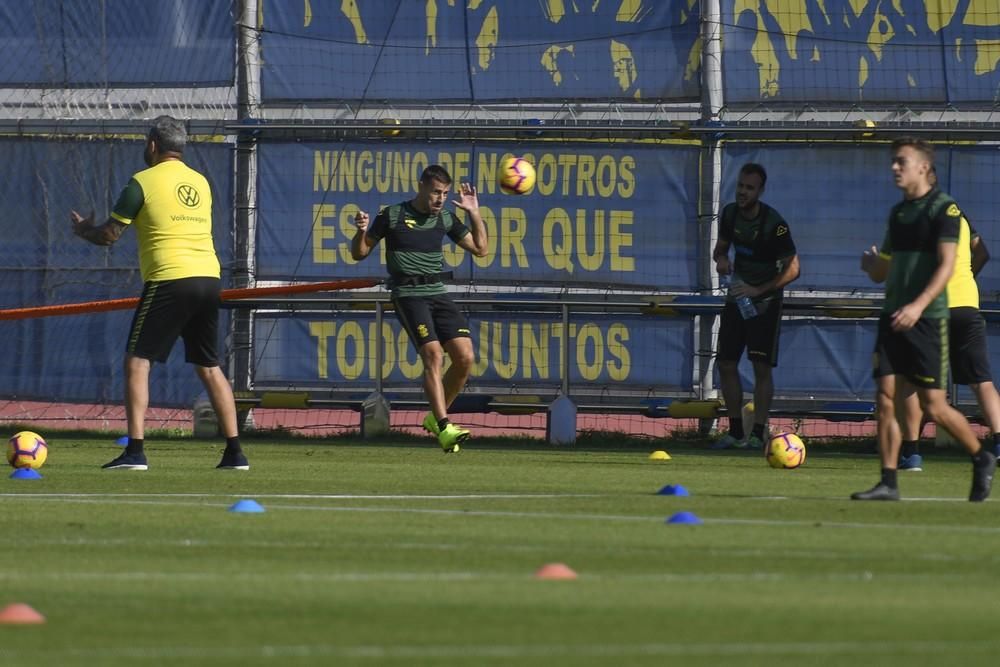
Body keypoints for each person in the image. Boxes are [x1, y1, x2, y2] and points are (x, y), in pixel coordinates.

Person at [71, 115, 247, 471]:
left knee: (137, 361)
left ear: (153, 143)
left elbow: (110, 235)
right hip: (209, 278)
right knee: (210, 367)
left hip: (170, 278)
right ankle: (235, 453)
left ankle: (135, 451)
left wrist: (83, 230)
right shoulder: (200, 182)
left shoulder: (142, 182)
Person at [854, 137, 996, 501]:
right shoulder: (898, 214)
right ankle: (888, 480)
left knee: (934, 404)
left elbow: (948, 266)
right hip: (893, 316)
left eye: (901, 161)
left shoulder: (944, 211)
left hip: (928, 318)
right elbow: (883, 270)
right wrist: (872, 266)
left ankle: (981, 457)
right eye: (893, 161)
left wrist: (918, 306)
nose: (894, 168)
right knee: (886, 397)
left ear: (923, 167)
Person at [351, 165, 488, 452]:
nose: (441, 199)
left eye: (445, 193)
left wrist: (474, 212)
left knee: (465, 358)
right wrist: (361, 231)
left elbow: (480, 248)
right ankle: (443, 426)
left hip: (437, 293)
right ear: (422, 187)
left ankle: (435, 416)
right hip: (408, 294)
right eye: (436, 192)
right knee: (433, 354)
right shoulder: (392, 215)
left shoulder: (446, 219)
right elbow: (360, 253)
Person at [894, 171, 1000, 471]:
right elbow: (982, 252)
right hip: (967, 305)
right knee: (982, 381)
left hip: (932, 310)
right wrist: (964, 280)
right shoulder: (958, 214)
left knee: (913, 383)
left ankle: (911, 452)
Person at [711, 163, 800, 450]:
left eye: (749, 188)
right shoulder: (729, 213)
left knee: (761, 367)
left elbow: (794, 268)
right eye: (740, 186)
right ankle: (735, 432)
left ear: (760, 191)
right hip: (736, 300)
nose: (742, 192)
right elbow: (720, 249)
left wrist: (759, 289)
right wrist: (722, 260)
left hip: (764, 304)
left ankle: (757, 432)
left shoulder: (774, 224)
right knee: (725, 363)